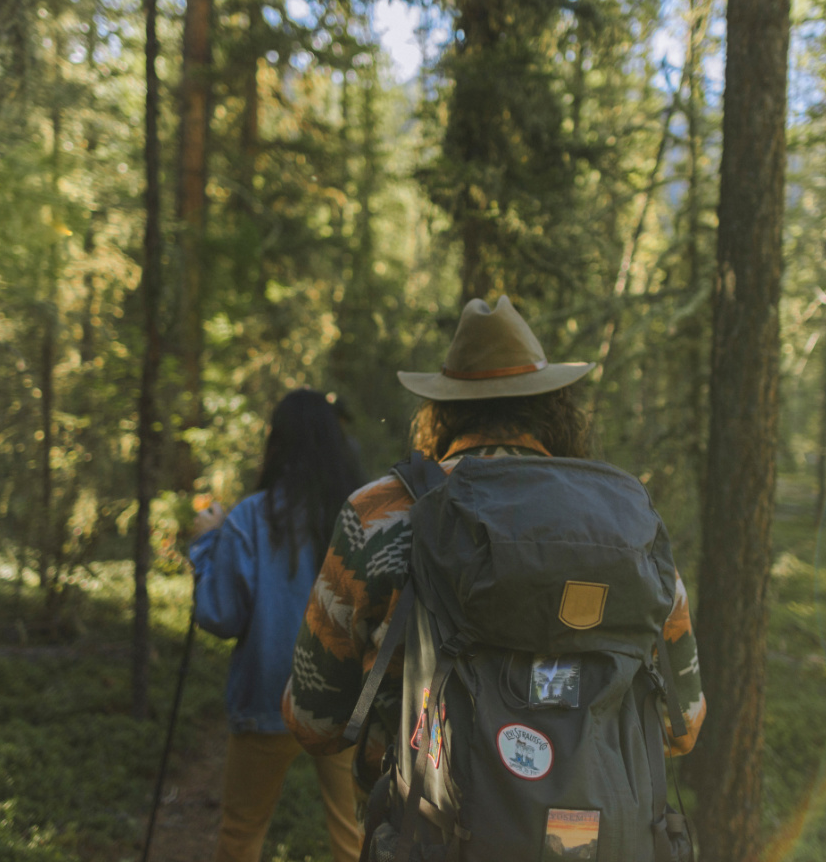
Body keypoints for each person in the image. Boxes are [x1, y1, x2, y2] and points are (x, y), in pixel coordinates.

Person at [282, 296, 706, 851]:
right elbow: (684, 723)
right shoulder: (625, 522)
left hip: (433, 837)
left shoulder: (380, 514)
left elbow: (313, 720)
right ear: (554, 406)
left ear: (443, 409)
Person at [189, 389, 366, 862]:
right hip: (344, 701)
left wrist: (207, 545)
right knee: (356, 838)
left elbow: (219, 616)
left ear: (278, 444)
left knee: (241, 834)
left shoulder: (249, 517)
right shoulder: (360, 519)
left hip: (266, 696)